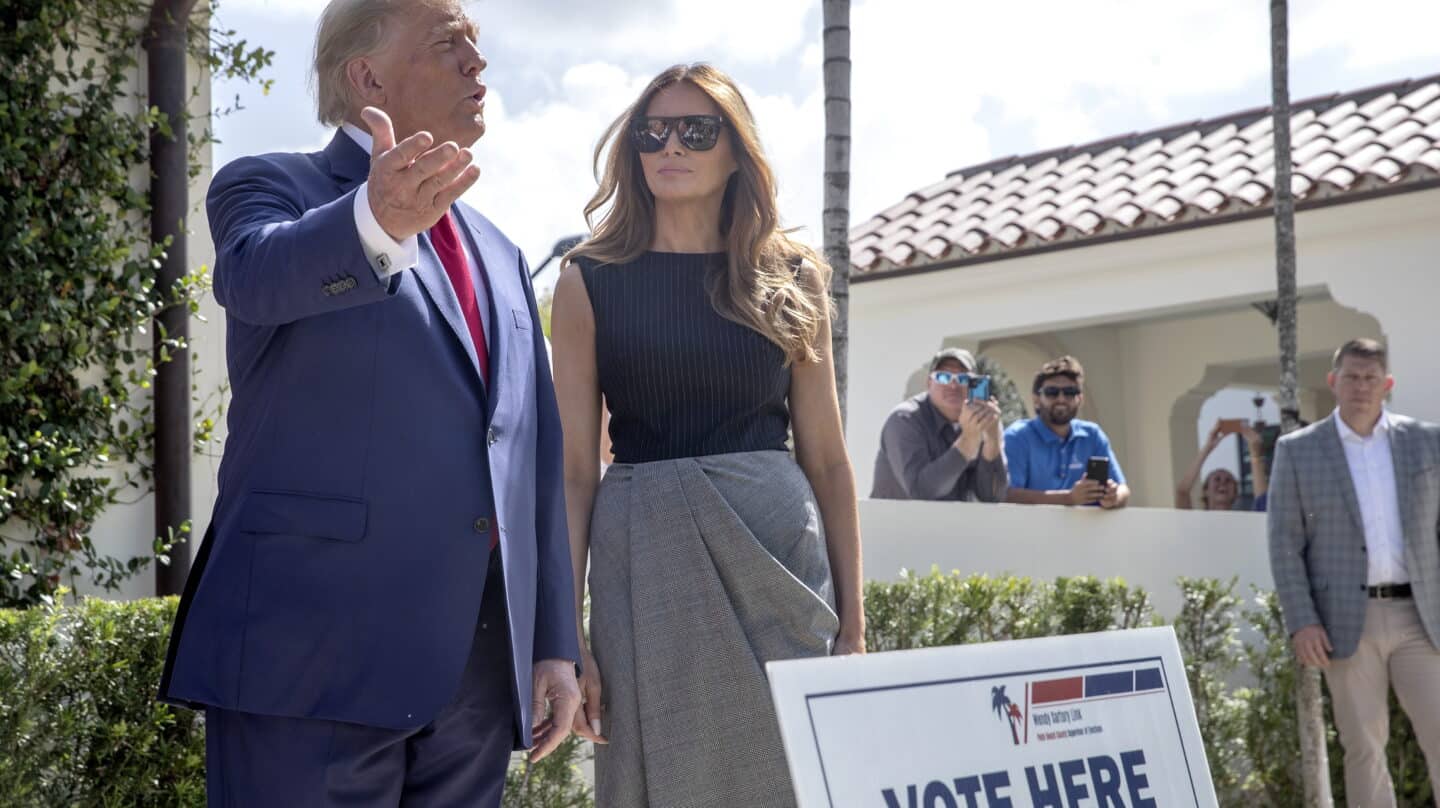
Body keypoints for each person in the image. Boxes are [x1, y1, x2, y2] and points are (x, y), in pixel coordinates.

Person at [157, 1, 581, 803]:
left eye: (477, 46)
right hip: (308, 669)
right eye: (449, 43)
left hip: (475, 684)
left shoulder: (503, 252)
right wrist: (373, 221)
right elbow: (253, 275)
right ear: (366, 76)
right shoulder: (269, 185)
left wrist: (552, 642)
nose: (477, 65)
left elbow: (535, 460)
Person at [550, 63, 866, 806]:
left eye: (697, 129)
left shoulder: (793, 277)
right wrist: (569, 634)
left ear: (736, 152)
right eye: (652, 130)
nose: (672, 144)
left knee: (793, 780)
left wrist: (854, 625)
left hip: (780, 565)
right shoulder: (586, 279)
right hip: (643, 562)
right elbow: (571, 471)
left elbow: (826, 459)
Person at [1268, 338, 1440, 806]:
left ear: (1387, 385)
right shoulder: (1298, 451)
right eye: (1351, 377)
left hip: (1420, 618)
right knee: (1363, 747)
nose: (1361, 387)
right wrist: (1302, 620)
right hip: (1346, 620)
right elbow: (1285, 543)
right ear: (1333, 382)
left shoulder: (1428, 442)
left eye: (1370, 379)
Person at [871, 347, 1007, 501]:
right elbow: (921, 491)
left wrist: (992, 441)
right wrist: (968, 441)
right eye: (943, 377)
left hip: (952, 524)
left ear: (974, 385)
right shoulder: (905, 419)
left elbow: (993, 496)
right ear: (929, 383)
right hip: (896, 523)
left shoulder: (983, 421)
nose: (953, 386)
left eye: (963, 379)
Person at [1003, 356, 1130, 508]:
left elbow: (1123, 488)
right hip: (1033, 531)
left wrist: (1113, 496)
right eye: (1052, 392)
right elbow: (1008, 495)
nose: (1061, 399)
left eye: (1070, 392)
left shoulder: (1092, 435)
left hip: (1088, 531)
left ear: (1080, 399)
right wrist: (1068, 498)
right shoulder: (1017, 437)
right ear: (1036, 399)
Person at [1175, 420, 1270, 511]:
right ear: (1206, 491)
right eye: (1217, 479)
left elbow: (1262, 502)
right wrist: (1208, 446)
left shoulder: (1244, 520)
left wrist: (1256, 455)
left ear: (1235, 493)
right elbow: (1182, 492)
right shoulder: (1194, 520)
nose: (1223, 483)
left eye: (1228, 480)